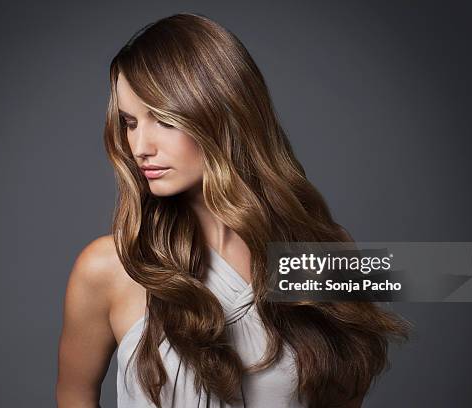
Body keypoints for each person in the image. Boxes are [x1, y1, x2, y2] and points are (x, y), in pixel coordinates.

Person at [56, 12, 409, 408]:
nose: (140, 146)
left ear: (222, 113)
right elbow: (73, 393)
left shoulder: (310, 261)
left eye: (163, 120)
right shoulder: (112, 268)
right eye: (130, 122)